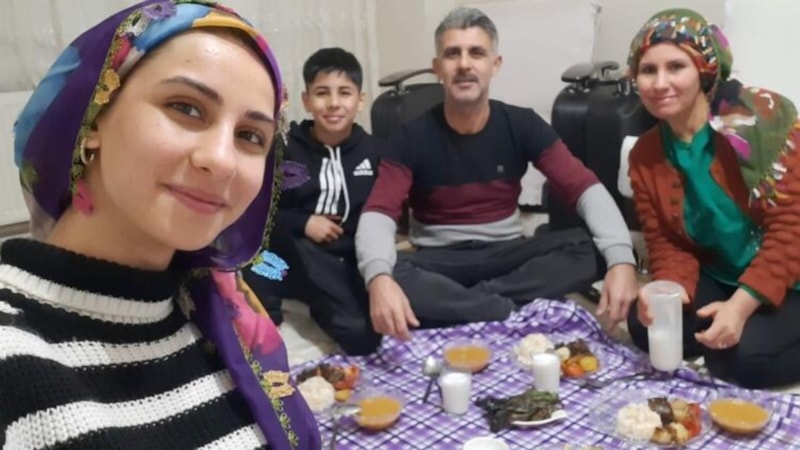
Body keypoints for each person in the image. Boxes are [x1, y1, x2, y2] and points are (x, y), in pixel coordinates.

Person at [1, 1, 321, 448]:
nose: (221, 160)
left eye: (250, 136)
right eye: (186, 108)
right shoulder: (14, 349)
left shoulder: (217, 315)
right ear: (92, 116)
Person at [355, 6, 639, 341]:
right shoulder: (410, 136)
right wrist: (378, 279)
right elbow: (378, 213)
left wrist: (623, 262)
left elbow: (584, 188)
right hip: (440, 260)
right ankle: (503, 310)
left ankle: (465, 306)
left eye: (476, 53)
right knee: (382, 272)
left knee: (596, 249)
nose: (464, 64)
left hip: (507, 254)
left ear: (495, 64)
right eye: (452, 54)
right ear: (438, 68)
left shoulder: (522, 124)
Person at [625, 8, 800, 388]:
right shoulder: (645, 154)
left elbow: (791, 230)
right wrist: (669, 289)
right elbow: (666, 242)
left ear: (704, 69)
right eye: (648, 70)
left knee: (737, 359)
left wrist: (740, 306)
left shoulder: (763, 122)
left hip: (791, 276)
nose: (660, 83)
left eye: (676, 67)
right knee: (645, 324)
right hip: (724, 272)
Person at [242, 47, 384, 355]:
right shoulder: (285, 149)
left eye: (344, 93)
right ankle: (282, 301)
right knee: (255, 270)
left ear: (360, 100)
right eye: (322, 93)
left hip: (340, 262)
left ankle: (316, 302)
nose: (333, 103)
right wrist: (303, 222)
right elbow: (256, 209)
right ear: (306, 100)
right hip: (286, 258)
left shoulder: (373, 152)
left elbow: (380, 216)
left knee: (362, 337)